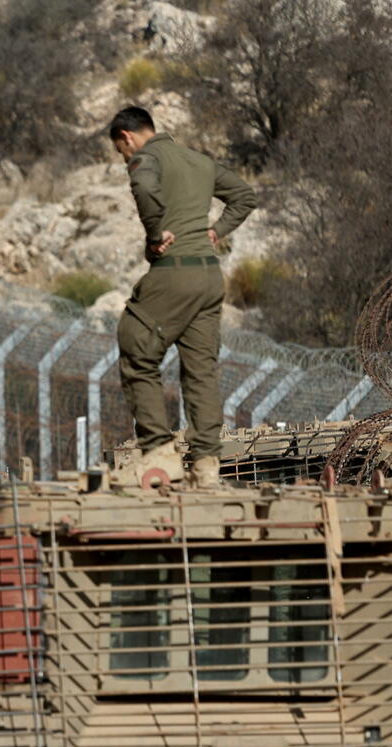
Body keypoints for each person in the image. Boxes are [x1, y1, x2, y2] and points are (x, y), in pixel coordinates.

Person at [108, 106, 257, 488]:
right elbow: (243, 195)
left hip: (173, 273)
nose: (124, 157)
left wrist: (155, 233)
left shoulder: (146, 158)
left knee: (136, 344)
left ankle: (158, 452)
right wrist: (216, 230)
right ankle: (207, 465)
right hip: (209, 276)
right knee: (201, 370)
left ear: (126, 137)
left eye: (120, 151)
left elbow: (143, 188)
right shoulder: (199, 160)